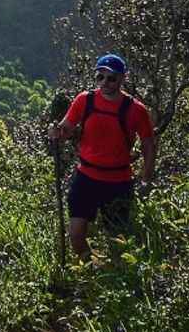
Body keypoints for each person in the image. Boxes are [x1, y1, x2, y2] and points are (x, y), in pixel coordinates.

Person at [48, 54, 155, 260]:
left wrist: (146, 177)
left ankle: (113, 279)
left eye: (111, 78)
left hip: (118, 182)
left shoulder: (136, 110)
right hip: (86, 178)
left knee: (117, 240)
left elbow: (149, 144)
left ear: (122, 79)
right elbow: (66, 129)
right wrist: (57, 132)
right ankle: (92, 269)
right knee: (76, 235)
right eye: (100, 77)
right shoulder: (84, 100)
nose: (104, 83)